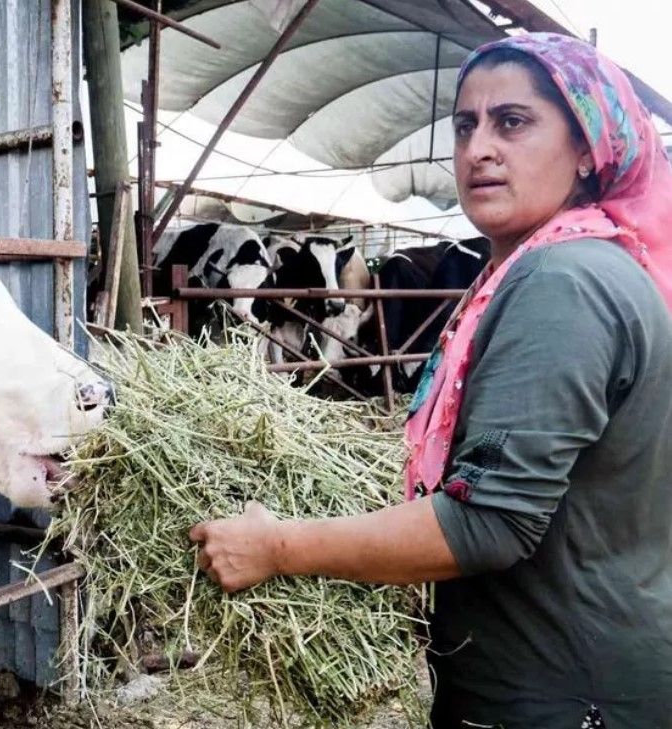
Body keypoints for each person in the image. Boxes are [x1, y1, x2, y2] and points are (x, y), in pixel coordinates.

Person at [187, 33, 672, 729]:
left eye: (513, 121)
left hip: (563, 696)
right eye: (466, 125)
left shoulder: (564, 282)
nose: (479, 148)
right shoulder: (575, 268)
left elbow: (488, 521)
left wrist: (278, 546)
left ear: (588, 147)